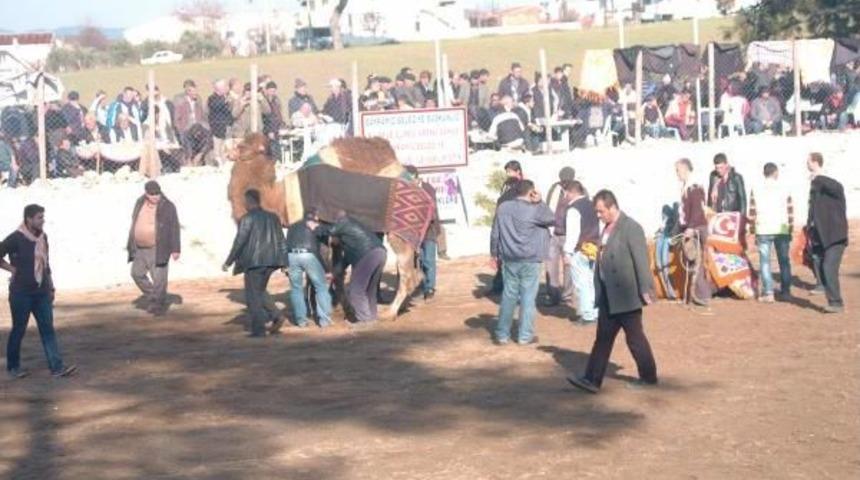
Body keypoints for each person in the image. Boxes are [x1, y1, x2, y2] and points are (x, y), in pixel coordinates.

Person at [567, 190, 658, 394]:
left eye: (601, 212)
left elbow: (641, 261)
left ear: (612, 207)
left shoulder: (631, 228)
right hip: (609, 293)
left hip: (626, 294)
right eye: (597, 212)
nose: (598, 216)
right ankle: (592, 379)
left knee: (635, 337)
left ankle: (649, 376)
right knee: (603, 338)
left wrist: (646, 289)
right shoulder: (608, 228)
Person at [0, 204, 77, 378]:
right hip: (21, 293)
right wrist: (12, 270)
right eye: (39, 217)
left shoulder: (43, 238)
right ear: (29, 219)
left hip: (41, 292)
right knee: (19, 329)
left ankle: (56, 367)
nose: (43, 221)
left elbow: (46, 265)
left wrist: (50, 286)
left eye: (43, 217)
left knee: (47, 329)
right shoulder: (15, 238)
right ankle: (13, 367)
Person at [490, 180, 554, 345]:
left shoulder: (503, 208)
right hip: (530, 259)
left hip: (509, 258)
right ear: (530, 192)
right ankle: (525, 336)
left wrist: (494, 253)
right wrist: (540, 201)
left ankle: (502, 334)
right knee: (528, 298)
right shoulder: (534, 210)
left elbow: (495, 232)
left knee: (508, 295)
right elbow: (551, 218)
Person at [223, 189, 289, 337]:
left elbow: (239, 242)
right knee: (260, 291)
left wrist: (229, 261)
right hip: (272, 262)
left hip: (254, 262)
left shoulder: (247, 219)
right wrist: (285, 263)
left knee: (252, 296)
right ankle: (276, 315)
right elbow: (281, 240)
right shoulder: (273, 217)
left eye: (245, 202)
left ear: (249, 201)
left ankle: (258, 330)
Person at [320, 212, 387, 324]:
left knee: (356, 290)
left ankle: (364, 319)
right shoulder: (353, 240)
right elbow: (344, 262)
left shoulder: (344, 222)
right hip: (380, 253)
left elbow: (329, 230)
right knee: (370, 290)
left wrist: (314, 227)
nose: (333, 243)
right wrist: (333, 274)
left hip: (367, 255)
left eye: (333, 240)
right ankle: (372, 318)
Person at [127, 181, 181, 315]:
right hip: (139, 247)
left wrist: (175, 248)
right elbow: (134, 221)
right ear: (146, 194)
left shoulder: (167, 206)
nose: (156, 197)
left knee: (159, 278)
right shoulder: (140, 203)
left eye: (157, 194)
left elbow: (174, 227)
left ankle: (157, 304)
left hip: (158, 246)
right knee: (136, 273)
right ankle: (155, 296)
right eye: (152, 195)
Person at [806, 153, 847, 313]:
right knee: (822, 265)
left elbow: (836, 186)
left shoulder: (832, 186)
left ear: (815, 162)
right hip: (822, 236)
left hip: (835, 236)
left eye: (808, 161)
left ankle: (836, 302)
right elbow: (813, 212)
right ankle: (828, 294)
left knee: (828, 267)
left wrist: (818, 177)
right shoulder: (818, 192)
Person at [748, 162, 794, 303]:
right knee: (784, 261)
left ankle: (768, 292)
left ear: (764, 173)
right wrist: (790, 228)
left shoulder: (755, 188)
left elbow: (752, 211)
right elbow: (790, 208)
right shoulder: (785, 187)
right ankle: (786, 292)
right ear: (775, 173)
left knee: (765, 262)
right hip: (781, 228)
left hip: (763, 228)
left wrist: (752, 229)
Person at [284, 208, 333, 330]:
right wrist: (326, 269)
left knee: (296, 289)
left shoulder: (293, 226)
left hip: (291, 256)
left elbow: (285, 244)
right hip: (308, 255)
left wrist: (284, 264)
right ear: (315, 216)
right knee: (321, 287)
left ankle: (301, 321)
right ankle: (324, 321)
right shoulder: (313, 224)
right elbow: (328, 233)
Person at [562, 180, 600, 323]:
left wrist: (567, 252)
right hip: (594, 247)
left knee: (581, 283)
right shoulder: (593, 205)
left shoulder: (573, 209)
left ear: (570, 192)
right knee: (591, 281)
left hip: (580, 249)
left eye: (565, 193)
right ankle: (595, 312)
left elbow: (573, 233)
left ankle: (587, 314)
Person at [675, 158, 711, 306]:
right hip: (691, 227)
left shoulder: (694, 187)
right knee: (692, 261)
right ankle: (693, 295)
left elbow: (697, 210)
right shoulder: (688, 186)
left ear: (685, 169)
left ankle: (701, 295)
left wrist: (690, 228)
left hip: (696, 228)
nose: (677, 174)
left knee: (696, 262)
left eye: (678, 170)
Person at [544, 166, 577, 307]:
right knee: (551, 266)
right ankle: (553, 295)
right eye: (563, 180)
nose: (564, 183)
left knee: (569, 266)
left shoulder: (579, 190)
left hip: (570, 235)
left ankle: (567, 295)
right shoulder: (554, 189)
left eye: (567, 181)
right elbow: (547, 207)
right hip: (553, 233)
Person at [406, 166, 441, 300]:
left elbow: (431, 212)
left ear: (416, 176)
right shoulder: (408, 190)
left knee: (429, 260)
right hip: (415, 232)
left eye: (409, 178)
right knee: (419, 259)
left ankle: (430, 287)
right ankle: (422, 285)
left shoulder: (428, 189)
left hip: (429, 230)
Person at [208, 79, 233, 166]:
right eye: (223, 87)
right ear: (218, 89)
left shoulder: (224, 98)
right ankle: (217, 163)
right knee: (217, 148)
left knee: (224, 148)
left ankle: (224, 163)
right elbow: (216, 106)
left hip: (225, 127)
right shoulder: (212, 98)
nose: (226, 88)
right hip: (217, 128)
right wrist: (225, 101)